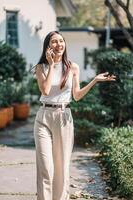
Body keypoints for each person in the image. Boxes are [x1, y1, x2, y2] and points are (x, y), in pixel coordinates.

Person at [33, 30, 116, 200]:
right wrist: (52, 65)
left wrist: (94, 80)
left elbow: (76, 96)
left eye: (61, 41)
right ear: (48, 46)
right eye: (54, 41)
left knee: (62, 166)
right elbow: (46, 90)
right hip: (43, 117)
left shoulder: (73, 67)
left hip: (64, 116)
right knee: (45, 168)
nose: (59, 44)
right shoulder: (41, 67)